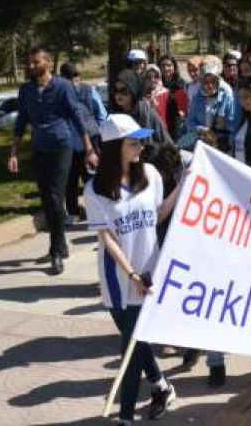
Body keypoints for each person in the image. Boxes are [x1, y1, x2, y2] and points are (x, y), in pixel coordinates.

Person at [86, 114, 178, 425]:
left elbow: (159, 213)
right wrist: (132, 275)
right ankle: (162, 387)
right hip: (119, 279)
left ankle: (125, 417)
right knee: (136, 341)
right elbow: (107, 239)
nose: (141, 146)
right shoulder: (95, 189)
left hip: (149, 272)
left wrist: (184, 186)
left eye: (141, 140)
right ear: (114, 148)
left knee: (130, 347)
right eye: (133, 142)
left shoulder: (151, 174)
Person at [9, 47, 97, 276]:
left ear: (48, 63)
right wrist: (13, 151)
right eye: (29, 62)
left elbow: (77, 117)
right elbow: (21, 120)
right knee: (47, 199)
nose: (31, 66)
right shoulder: (26, 90)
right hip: (39, 148)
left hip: (61, 147)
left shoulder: (62, 86)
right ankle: (60, 245)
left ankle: (56, 252)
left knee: (55, 197)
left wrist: (88, 148)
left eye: (36, 62)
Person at [60, 63, 108, 221]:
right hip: (71, 144)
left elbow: (101, 114)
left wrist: (102, 135)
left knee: (92, 178)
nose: (74, 81)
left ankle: (98, 210)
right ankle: (74, 213)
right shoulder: (61, 94)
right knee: (71, 180)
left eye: (75, 77)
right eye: (71, 78)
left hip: (90, 141)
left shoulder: (88, 90)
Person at [184, 62, 235, 152]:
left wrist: (219, 130)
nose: (210, 85)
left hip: (221, 145)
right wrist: (201, 129)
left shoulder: (226, 98)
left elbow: (232, 123)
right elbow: (189, 122)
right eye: (206, 82)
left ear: (218, 81)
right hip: (202, 143)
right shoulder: (196, 99)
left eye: (213, 81)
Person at [158, 55, 190, 140]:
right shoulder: (156, 83)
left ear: (174, 67)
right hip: (160, 121)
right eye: (163, 65)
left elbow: (184, 107)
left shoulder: (181, 84)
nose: (166, 68)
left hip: (176, 122)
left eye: (169, 65)